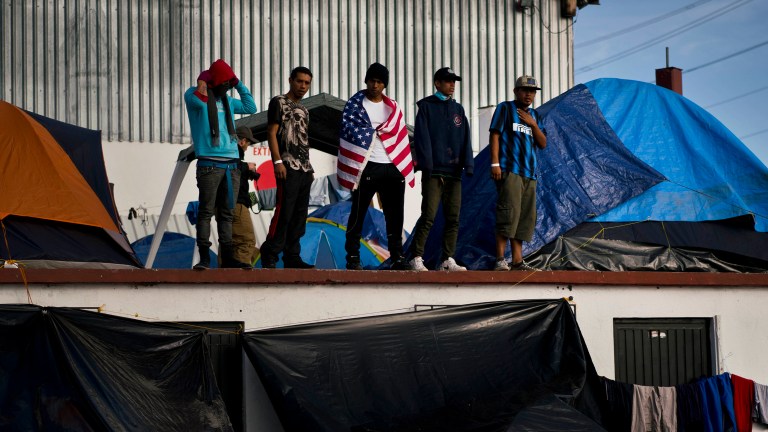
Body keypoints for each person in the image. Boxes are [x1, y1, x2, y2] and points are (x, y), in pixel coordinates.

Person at [337, 62, 415, 270]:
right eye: (372, 80)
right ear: (366, 81)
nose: (375, 85)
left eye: (380, 82)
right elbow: (348, 132)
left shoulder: (393, 107)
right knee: (359, 212)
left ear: (384, 84)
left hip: (392, 165)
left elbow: (400, 135)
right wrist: (372, 134)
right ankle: (352, 256)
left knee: (395, 214)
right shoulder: (355, 105)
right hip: (367, 165)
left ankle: (398, 256)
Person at [185, 59, 257, 269]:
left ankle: (227, 258)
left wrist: (238, 83)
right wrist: (203, 80)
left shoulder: (228, 101)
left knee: (227, 213)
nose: (227, 86)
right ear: (214, 81)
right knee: (206, 212)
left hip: (232, 164)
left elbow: (250, 106)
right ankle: (205, 258)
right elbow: (199, 98)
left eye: (229, 82)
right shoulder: (194, 95)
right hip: (209, 162)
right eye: (224, 82)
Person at [408, 67, 474, 272]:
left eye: (454, 81)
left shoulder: (458, 110)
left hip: (454, 172)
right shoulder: (426, 107)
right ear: (437, 83)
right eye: (447, 80)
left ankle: (447, 259)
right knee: (428, 215)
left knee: (453, 217)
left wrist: (468, 164)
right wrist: (427, 165)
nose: (452, 84)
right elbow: (421, 138)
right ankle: (416, 257)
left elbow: (466, 138)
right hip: (433, 171)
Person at [489, 75, 547, 271]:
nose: (529, 94)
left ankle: (517, 261)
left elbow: (543, 143)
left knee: (524, 218)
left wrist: (533, 124)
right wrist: (495, 163)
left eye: (532, 91)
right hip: (510, 170)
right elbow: (495, 135)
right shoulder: (505, 108)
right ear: (516, 91)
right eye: (525, 90)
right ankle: (499, 260)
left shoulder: (536, 116)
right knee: (508, 213)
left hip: (529, 173)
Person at [259, 67, 315, 269]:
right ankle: (270, 251)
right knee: (284, 212)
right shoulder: (279, 102)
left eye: (307, 83)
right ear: (291, 80)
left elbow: (303, 140)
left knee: (300, 215)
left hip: (304, 169)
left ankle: (292, 255)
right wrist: (277, 162)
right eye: (299, 81)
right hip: (287, 165)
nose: (303, 86)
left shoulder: (306, 111)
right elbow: (271, 132)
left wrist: (309, 168)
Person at [229, 126, 260, 267]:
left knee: (230, 242)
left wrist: (246, 171)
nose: (248, 147)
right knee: (246, 241)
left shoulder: (225, 151)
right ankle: (239, 278)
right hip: (237, 204)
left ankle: (225, 273)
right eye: (248, 143)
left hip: (225, 203)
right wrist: (246, 167)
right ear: (242, 141)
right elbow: (230, 167)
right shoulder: (235, 155)